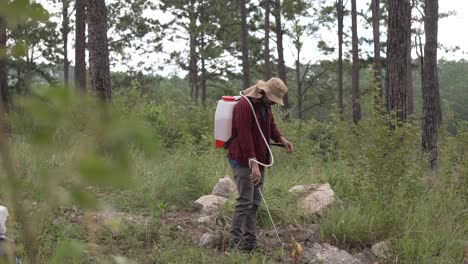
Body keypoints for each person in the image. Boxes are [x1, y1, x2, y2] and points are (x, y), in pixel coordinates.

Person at [226, 77, 293, 252]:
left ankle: (249, 243)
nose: (274, 103)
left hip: (259, 159)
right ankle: (234, 244)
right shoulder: (244, 106)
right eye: (273, 99)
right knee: (244, 201)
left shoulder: (265, 106)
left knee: (255, 202)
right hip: (242, 159)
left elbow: (270, 126)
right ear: (264, 92)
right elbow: (244, 135)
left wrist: (281, 139)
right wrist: (253, 164)